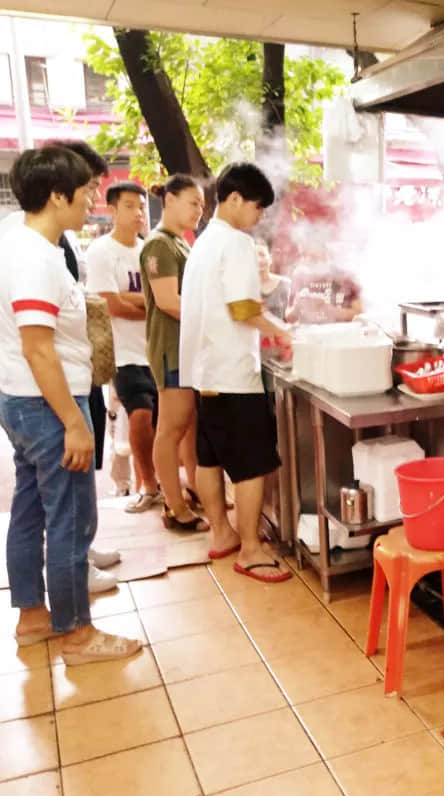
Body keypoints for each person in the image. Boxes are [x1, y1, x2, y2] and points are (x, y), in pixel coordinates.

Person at [0, 145, 141, 664]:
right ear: (57, 196)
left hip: (23, 399)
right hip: (46, 405)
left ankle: (33, 617)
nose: (91, 199)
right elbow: (38, 348)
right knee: (70, 518)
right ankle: (77, 632)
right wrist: (75, 424)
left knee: (31, 508)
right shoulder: (33, 257)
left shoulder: (27, 245)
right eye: (84, 192)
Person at [179, 163, 292, 583]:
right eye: (257, 206)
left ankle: (223, 533)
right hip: (232, 374)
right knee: (251, 463)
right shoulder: (237, 243)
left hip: (203, 373)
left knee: (209, 458)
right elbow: (242, 307)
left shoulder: (203, 243)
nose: (258, 216)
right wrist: (282, 331)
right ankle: (250, 549)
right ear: (234, 199)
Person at [86, 181, 164, 514]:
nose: (138, 213)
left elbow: (163, 300)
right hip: (123, 353)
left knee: (164, 422)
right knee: (141, 416)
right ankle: (147, 486)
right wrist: (147, 303)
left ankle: (163, 484)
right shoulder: (101, 251)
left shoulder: (148, 250)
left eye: (142, 206)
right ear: (113, 209)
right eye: (130, 206)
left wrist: (138, 300)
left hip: (157, 350)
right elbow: (111, 304)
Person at [141, 175, 208, 532]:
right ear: (168, 200)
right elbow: (169, 302)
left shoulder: (181, 244)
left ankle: (194, 489)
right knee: (171, 427)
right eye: (193, 202)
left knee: (189, 425)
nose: (200, 210)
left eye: (201, 204)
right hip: (172, 349)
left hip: (188, 348)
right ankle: (173, 506)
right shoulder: (159, 246)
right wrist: (215, 316)